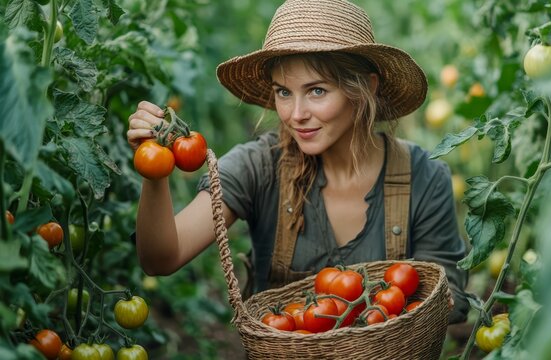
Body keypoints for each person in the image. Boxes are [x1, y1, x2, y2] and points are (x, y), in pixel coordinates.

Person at [127, 0, 469, 324]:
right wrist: (154, 171)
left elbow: (446, 297)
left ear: (366, 87)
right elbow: (161, 258)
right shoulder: (260, 166)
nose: (296, 115)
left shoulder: (423, 176)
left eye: (317, 91)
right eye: (283, 92)